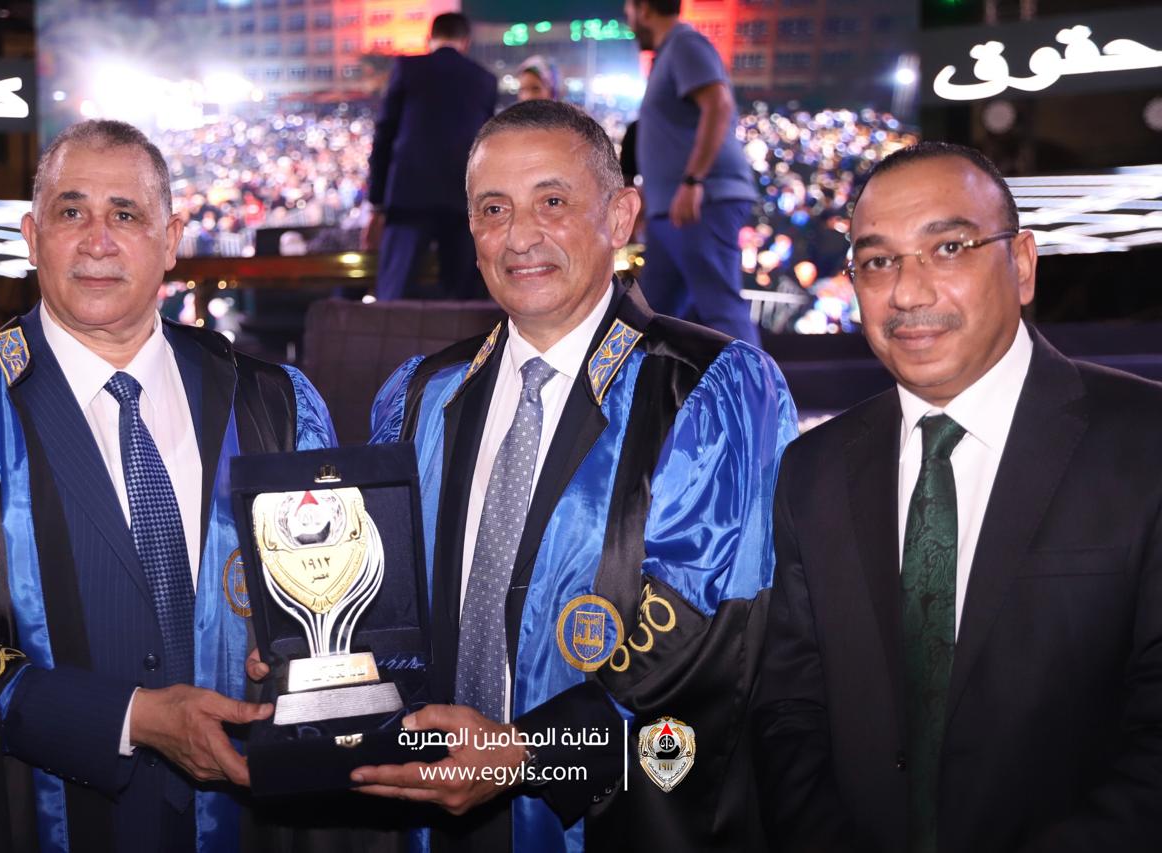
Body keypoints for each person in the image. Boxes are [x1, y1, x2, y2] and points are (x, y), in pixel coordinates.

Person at [0, 119, 335, 853]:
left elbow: (327, 604)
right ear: (33, 237)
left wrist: (295, 658)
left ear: (172, 238)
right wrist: (125, 718)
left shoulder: (272, 400)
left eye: (126, 214)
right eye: (72, 212)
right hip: (43, 813)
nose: (98, 241)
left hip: (245, 816)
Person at [361, 99, 797, 852]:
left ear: (621, 215)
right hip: (433, 806)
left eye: (553, 203)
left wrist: (531, 752)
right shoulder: (422, 396)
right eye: (493, 208)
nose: (519, 236)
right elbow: (383, 596)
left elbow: (713, 625)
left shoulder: (708, 388)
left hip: (619, 812)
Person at [752, 142, 1162, 853]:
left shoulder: (1145, 443)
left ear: (1022, 264)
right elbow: (788, 710)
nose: (908, 292)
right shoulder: (811, 470)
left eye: (948, 248)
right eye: (878, 262)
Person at [624, 0, 762, 345]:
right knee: (654, 318)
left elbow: (718, 104)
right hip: (673, 209)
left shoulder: (685, 43)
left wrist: (693, 180)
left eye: (628, 11)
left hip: (701, 202)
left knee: (720, 309)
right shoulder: (669, 53)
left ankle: (754, 382)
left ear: (644, 9)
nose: (628, 21)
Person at [364, 12, 497, 301]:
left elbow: (384, 136)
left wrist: (377, 204)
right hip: (462, 200)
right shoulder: (484, 79)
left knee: (393, 295)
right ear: (466, 41)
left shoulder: (407, 69)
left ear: (429, 38)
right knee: (461, 301)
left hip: (409, 197)